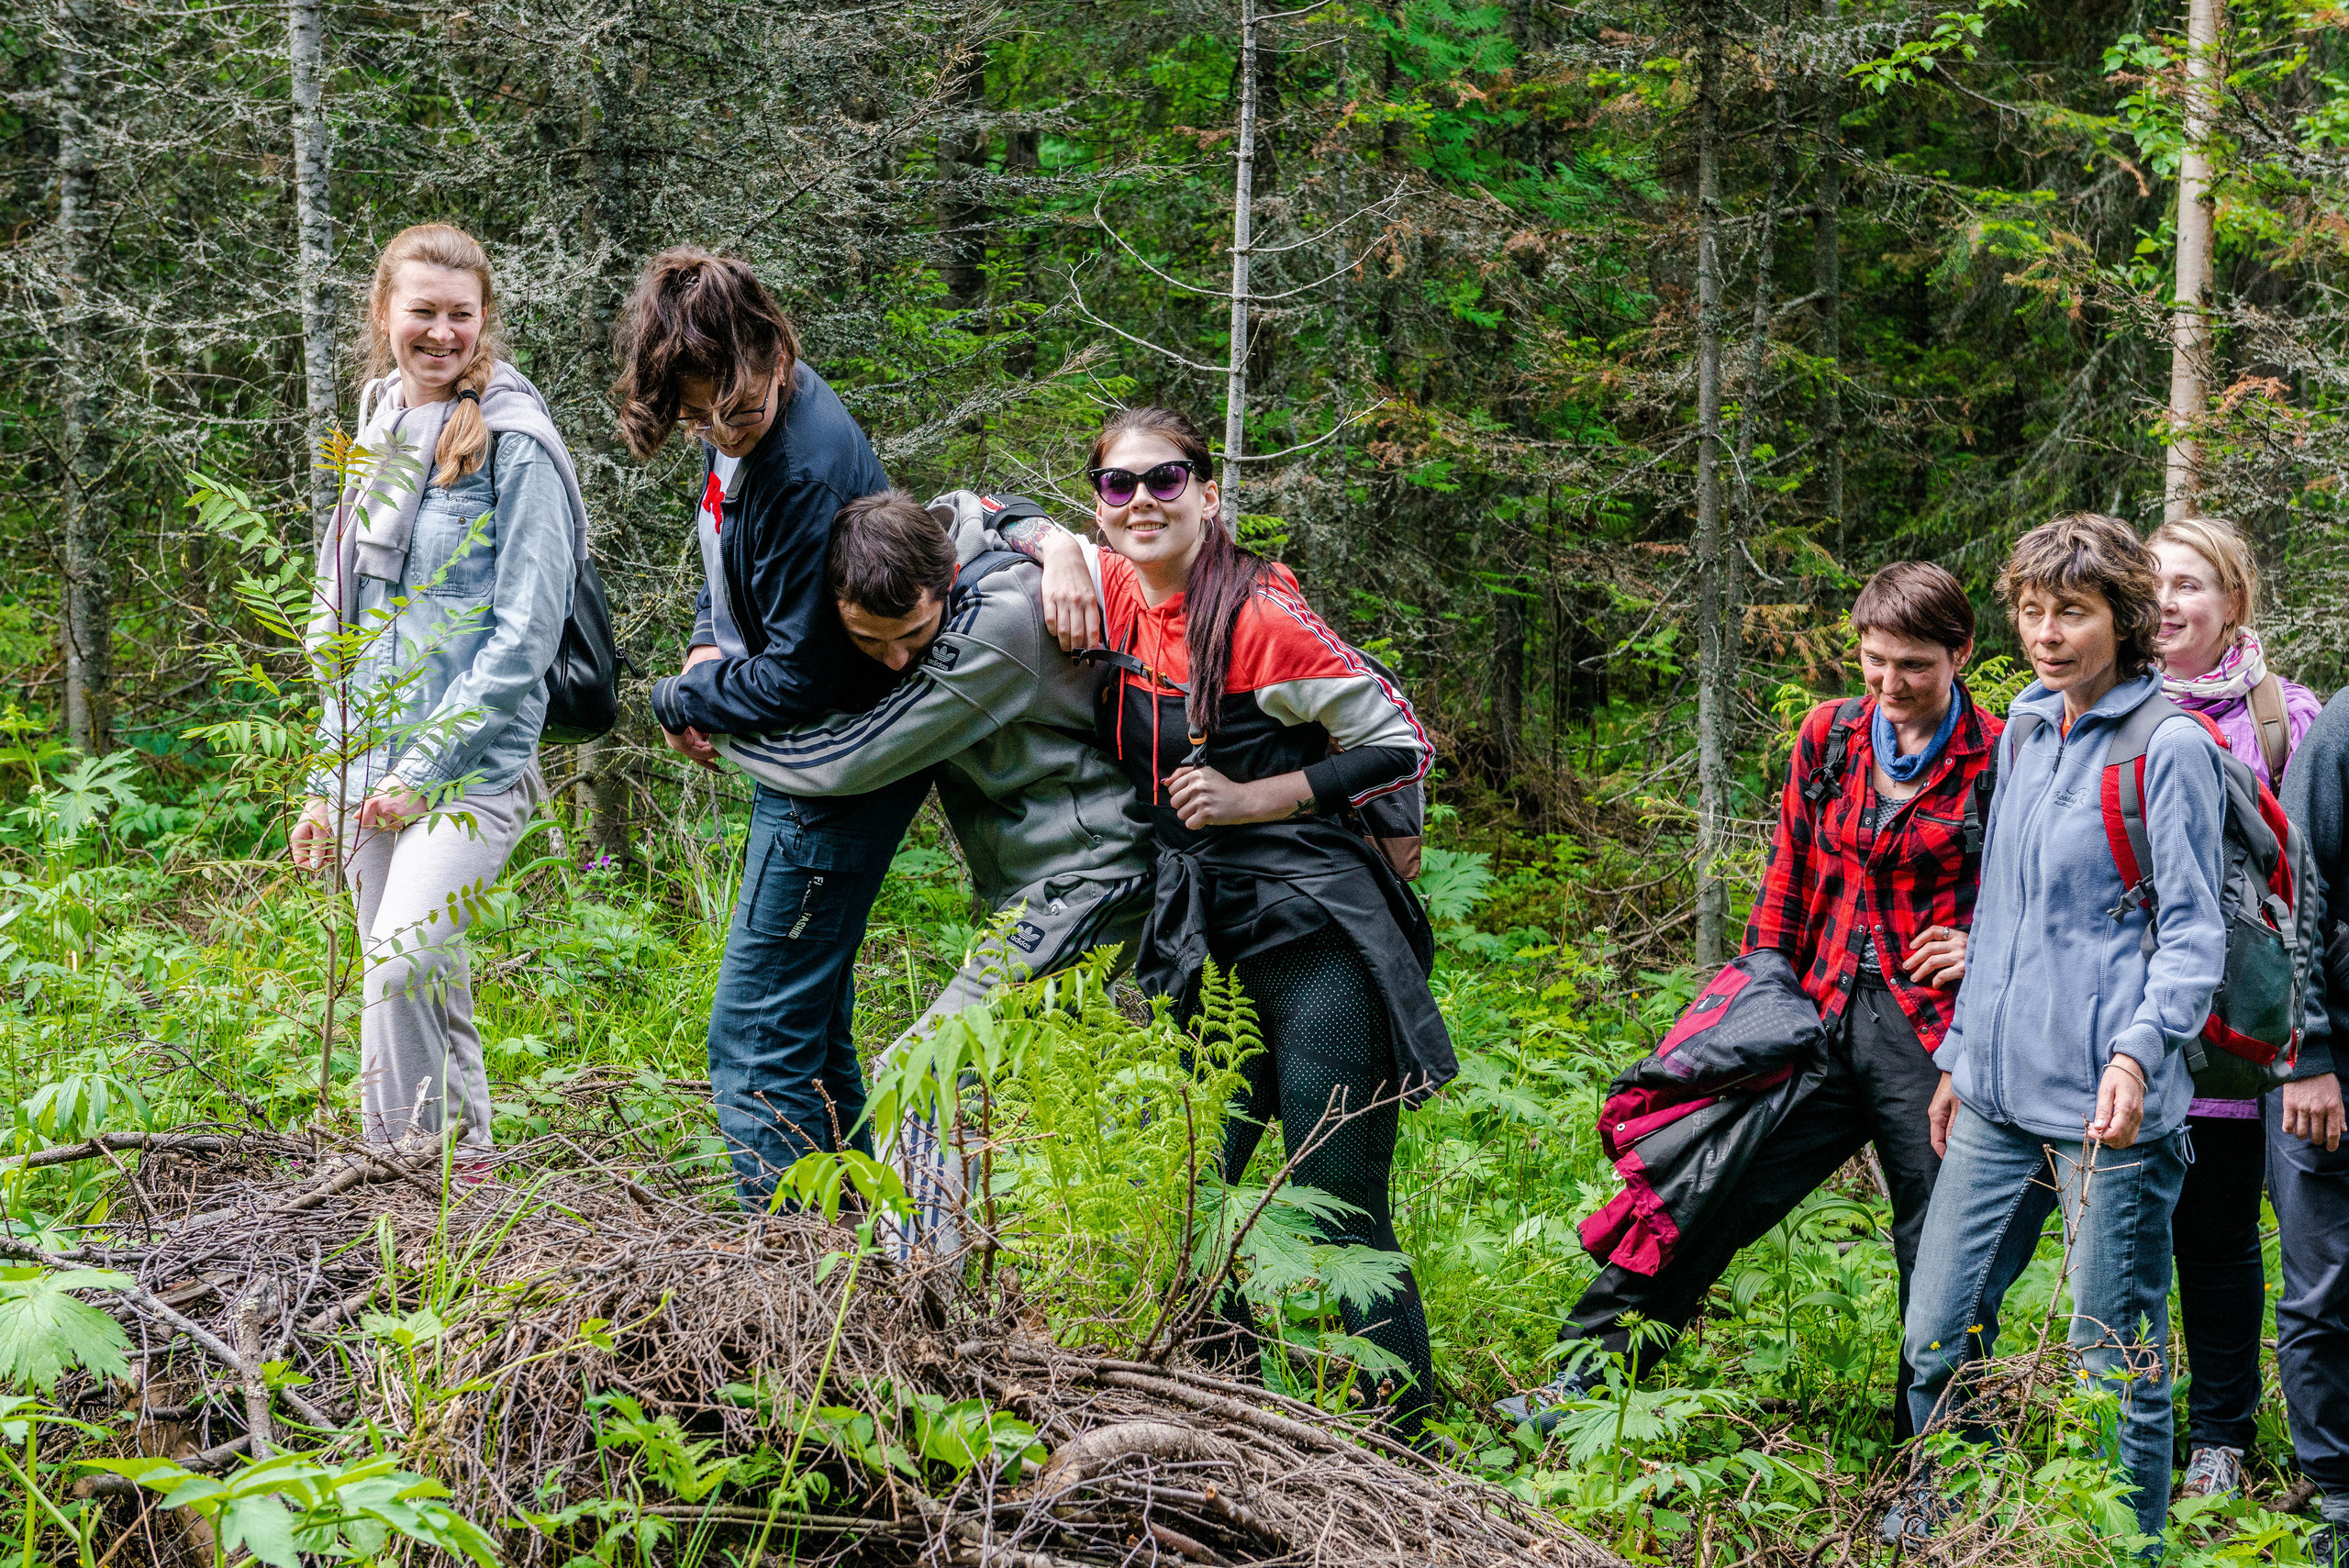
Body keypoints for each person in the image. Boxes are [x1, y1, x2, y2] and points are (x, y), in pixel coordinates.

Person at [995, 406, 1453, 1439]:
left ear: (1209, 492)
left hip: (1310, 931)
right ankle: (1230, 1417)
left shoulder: (1256, 615)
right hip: (1197, 932)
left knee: (1335, 1197)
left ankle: (1403, 1446)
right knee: (1192, 1193)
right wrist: (1056, 545)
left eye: (1166, 480)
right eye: (1117, 486)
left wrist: (1263, 792)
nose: (1142, 501)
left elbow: (1400, 740)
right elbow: (972, 511)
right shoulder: (1105, 584)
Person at [1495, 563, 1999, 1439]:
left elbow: (2038, 892)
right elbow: (1789, 874)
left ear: (1960, 654)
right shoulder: (1830, 736)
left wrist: (1987, 951)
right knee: (1701, 1187)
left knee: (1941, 1248)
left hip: (1930, 1036)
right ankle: (1580, 1387)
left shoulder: (2002, 756)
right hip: (1815, 1010)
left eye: (1913, 664)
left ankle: (1941, 1458)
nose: (1889, 683)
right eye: (1875, 660)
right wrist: (1760, 1000)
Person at [1890, 513, 2230, 1548]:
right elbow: (1998, 907)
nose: (2044, 631)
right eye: (2032, 609)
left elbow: (2191, 932)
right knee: (1935, 1333)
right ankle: (1962, 1516)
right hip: (1994, 1094)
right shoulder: (2029, 726)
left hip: (2106, 1113)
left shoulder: (2168, 747)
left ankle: (2129, 1542)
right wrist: (1957, 1058)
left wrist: (2136, 1051)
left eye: (2070, 611)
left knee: (2109, 1357)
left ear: (2120, 620)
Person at [701, 487, 1154, 1250]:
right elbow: (965, 500)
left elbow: (851, 759)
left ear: (945, 579)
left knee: (923, 1072)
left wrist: (707, 720)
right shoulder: (945, 539)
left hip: (1093, 879)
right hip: (1050, 884)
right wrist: (1050, 533)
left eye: (912, 633)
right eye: (872, 644)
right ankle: (1015, 1273)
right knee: (1102, 1094)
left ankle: (923, 1306)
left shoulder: (1000, 625)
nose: (898, 660)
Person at [613, 248, 928, 1203]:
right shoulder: (739, 403)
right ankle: (871, 1278)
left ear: (775, 353)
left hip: (832, 775)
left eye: (732, 412)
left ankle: (798, 1298)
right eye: (695, 416)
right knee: (810, 1029)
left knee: (754, 1044)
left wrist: (681, 698)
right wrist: (709, 644)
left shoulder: (801, 467)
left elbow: (807, 671)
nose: (717, 431)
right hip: (808, 765)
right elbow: (726, 553)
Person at [292, 223, 586, 1163]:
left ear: (484, 320)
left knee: (402, 958)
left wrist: (424, 769)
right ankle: (444, 1185)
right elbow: (344, 627)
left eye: (461, 315)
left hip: (468, 774)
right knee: (416, 989)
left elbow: (524, 637)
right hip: (369, 765)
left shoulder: (518, 445)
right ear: (384, 315)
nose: (441, 332)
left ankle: (415, 1183)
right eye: (422, 312)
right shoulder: (379, 428)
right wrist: (326, 779)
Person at [2146, 516, 2321, 1502]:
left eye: (2190, 583)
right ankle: (2185, 1430)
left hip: (2281, 1036)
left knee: (2288, 1250)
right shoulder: (2106, 706)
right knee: (2187, 1244)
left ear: (2233, 603)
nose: (2167, 601)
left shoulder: (2284, 718)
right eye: (2153, 582)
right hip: (2165, 1036)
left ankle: (2276, 1442)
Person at [2274, 693, 2349, 1565]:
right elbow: (2295, 893)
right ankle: (2338, 1492)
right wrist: (2308, 1054)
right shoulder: (2337, 738)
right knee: (2326, 1280)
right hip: (2328, 1061)